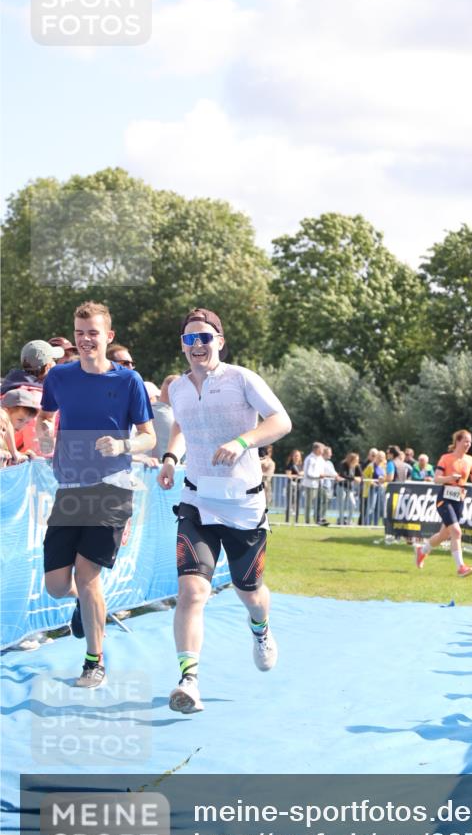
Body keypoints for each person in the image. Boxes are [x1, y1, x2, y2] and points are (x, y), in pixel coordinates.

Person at [157, 308, 291, 715]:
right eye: (189, 339)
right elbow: (181, 426)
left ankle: (260, 629)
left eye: (204, 338)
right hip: (197, 501)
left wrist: (243, 441)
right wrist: (170, 457)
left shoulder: (241, 379)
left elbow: (281, 421)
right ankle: (189, 680)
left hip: (243, 505)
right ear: (182, 345)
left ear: (219, 341)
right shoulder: (178, 387)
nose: (197, 345)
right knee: (191, 591)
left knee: (249, 592)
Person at [35, 301, 156, 689]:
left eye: (93, 333)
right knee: (57, 585)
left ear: (109, 336)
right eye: (80, 333)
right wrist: (44, 432)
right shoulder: (59, 377)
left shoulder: (128, 381)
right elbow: (44, 417)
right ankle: (85, 606)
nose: (86, 339)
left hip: (111, 490)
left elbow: (148, 436)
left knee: (88, 577)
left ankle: (94, 662)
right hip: (69, 489)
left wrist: (123, 446)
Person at [415, 428, 472, 577]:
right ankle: (461, 567)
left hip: (459, 500)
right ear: (458, 441)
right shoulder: (446, 458)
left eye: (470, 442)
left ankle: (422, 551)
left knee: (443, 536)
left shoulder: (470, 460)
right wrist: (449, 478)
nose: (468, 445)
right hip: (444, 499)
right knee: (456, 532)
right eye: (466, 441)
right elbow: (436, 479)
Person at [1, 387, 42, 457]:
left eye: (27, 422)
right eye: (20, 420)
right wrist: (13, 453)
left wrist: (22, 455)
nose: (22, 426)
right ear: (6, 413)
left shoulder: (8, 440)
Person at [302, 442, 327, 523]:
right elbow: (308, 473)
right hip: (310, 484)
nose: (323, 451)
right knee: (309, 504)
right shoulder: (310, 459)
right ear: (317, 449)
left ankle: (319, 519)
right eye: (321, 449)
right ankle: (307, 521)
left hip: (320, 484)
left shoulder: (321, 459)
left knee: (323, 500)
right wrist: (319, 476)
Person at [338, 451, 362, 523]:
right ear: (351, 459)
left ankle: (349, 520)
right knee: (342, 505)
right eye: (356, 459)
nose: (357, 461)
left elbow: (361, 476)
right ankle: (341, 521)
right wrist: (354, 478)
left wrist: (359, 478)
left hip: (350, 488)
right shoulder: (343, 464)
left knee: (353, 504)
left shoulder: (357, 466)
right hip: (342, 487)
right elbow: (343, 475)